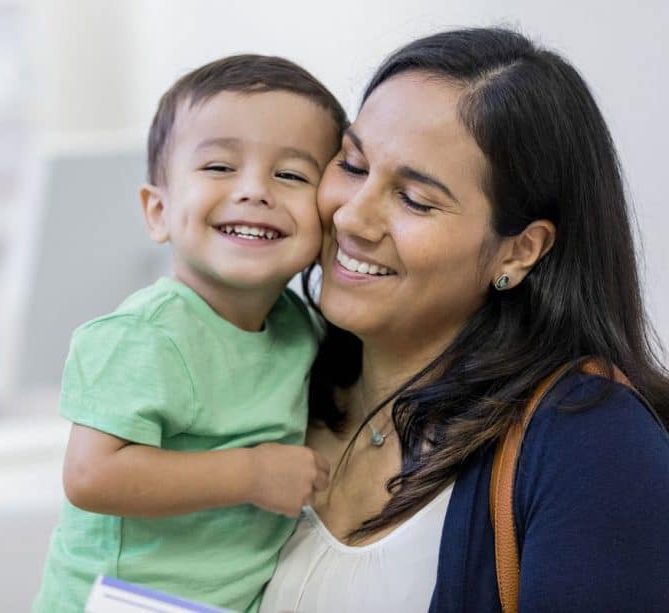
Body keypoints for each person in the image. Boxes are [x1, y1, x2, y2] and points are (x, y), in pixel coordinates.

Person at [260, 27, 669, 612]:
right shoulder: (272, 370)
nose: (352, 216)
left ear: (518, 250)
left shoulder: (593, 445)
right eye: (352, 164)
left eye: (414, 200)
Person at [32, 55, 346, 612]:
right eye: (220, 167)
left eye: (292, 175)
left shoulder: (302, 329)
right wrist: (251, 474)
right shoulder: (144, 335)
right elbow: (90, 475)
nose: (255, 190)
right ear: (158, 211)